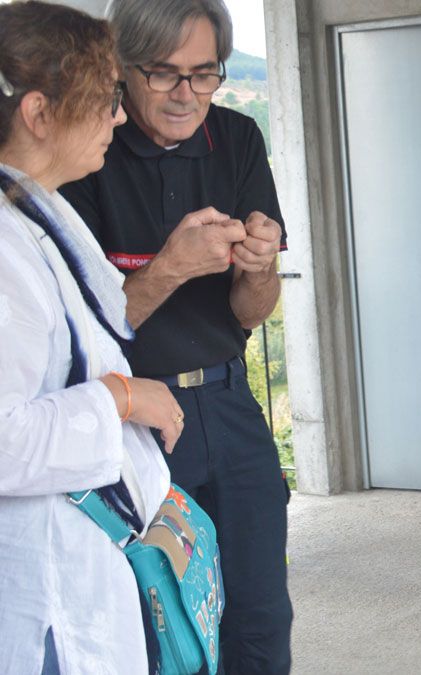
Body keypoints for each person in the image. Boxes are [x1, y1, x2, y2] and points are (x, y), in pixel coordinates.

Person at [59, 0, 292, 670]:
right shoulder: (86, 152)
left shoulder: (238, 138)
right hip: (133, 416)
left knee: (261, 614)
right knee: (156, 620)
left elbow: (252, 312)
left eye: (205, 73)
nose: (187, 95)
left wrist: (259, 269)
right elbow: (79, 337)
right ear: (122, 70)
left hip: (228, 401)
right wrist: (169, 268)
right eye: (164, 75)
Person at [0, 2, 187, 671]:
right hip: (43, 597)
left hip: (81, 561)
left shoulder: (34, 214)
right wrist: (122, 398)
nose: (117, 115)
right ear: (40, 113)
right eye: (106, 97)